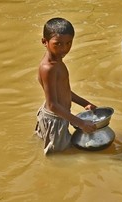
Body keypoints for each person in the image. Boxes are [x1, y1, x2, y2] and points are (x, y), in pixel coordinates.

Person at [35, 17, 97, 155]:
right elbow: (52, 105)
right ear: (44, 42)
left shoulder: (57, 61)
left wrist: (84, 103)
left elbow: (64, 90)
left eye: (69, 43)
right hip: (54, 119)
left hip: (59, 115)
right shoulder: (48, 68)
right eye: (58, 44)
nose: (64, 48)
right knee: (59, 157)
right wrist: (80, 123)